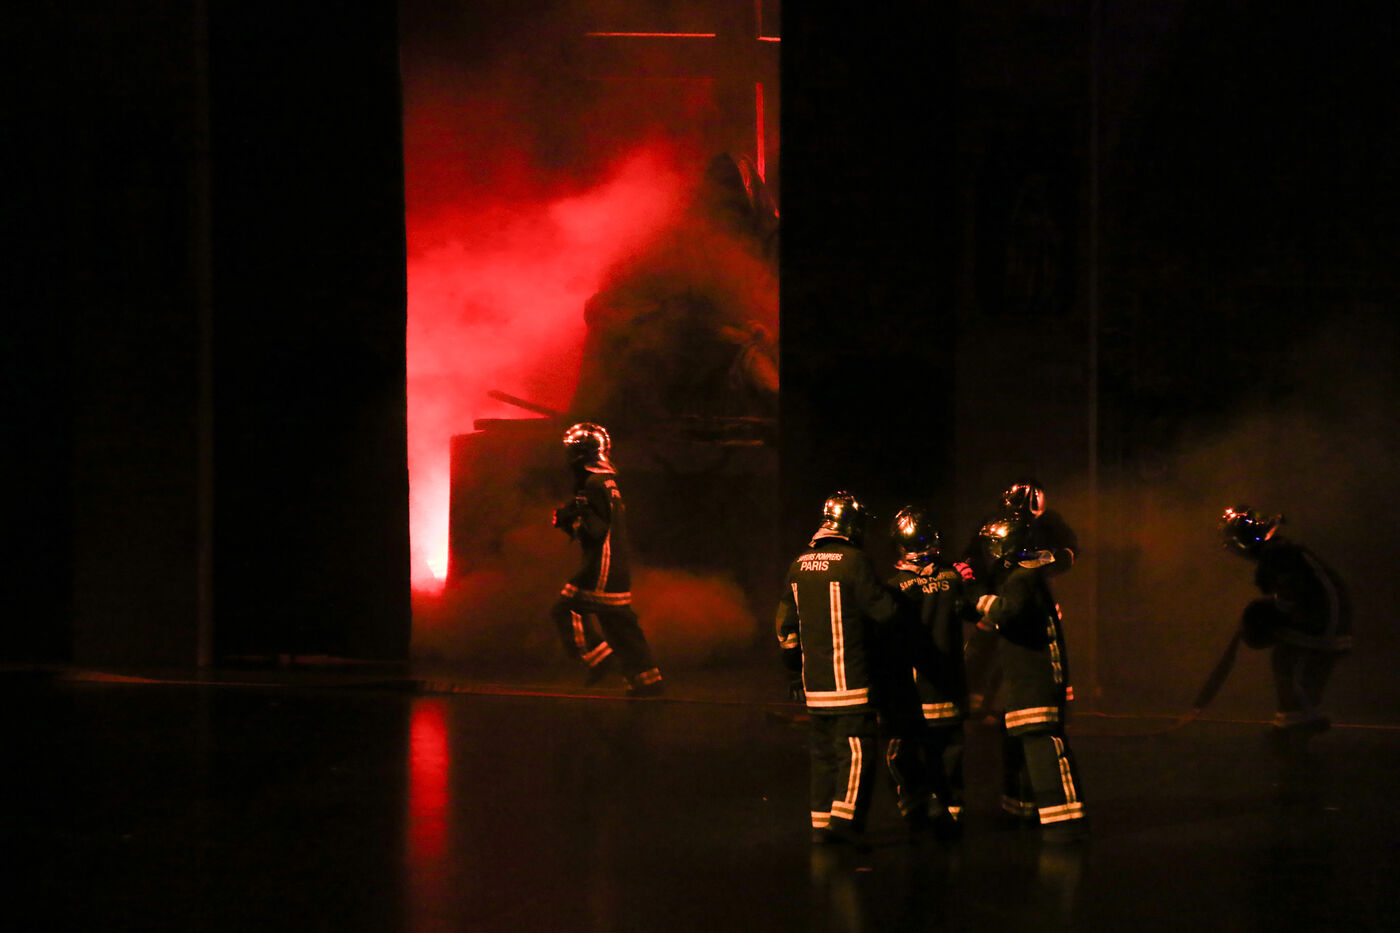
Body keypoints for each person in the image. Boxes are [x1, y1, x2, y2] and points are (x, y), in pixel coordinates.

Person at [775, 491, 899, 846]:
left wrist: (793, 672)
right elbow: (884, 613)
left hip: (815, 687)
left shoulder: (798, 564)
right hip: (851, 683)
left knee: (822, 756)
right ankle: (844, 822)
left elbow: (785, 628)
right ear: (851, 525)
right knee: (856, 753)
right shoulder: (854, 562)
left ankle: (820, 824)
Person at [977, 514, 1088, 841]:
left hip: (1035, 684)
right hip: (1026, 683)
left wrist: (972, 595)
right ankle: (1022, 810)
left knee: (1043, 748)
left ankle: (1065, 823)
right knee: (1021, 748)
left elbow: (1003, 611)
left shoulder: (1022, 578)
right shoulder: (1025, 576)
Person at [876, 505, 981, 839]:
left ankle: (916, 807)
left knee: (903, 753)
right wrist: (968, 579)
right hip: (950, 687)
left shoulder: (894, 587)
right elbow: (974, 612)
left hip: (913, 692)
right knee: (950, 751)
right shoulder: (954, 578)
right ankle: (950, 810)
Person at [1219, 506, 1352, 748]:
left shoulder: (1277, 554)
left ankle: (1300, 725)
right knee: (1286, 662)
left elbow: (1293, 593)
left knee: (1288, 664)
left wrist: (1264, 616)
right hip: (1325, 620)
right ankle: (1290, 725)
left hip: (1321, 624)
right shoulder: (1282, 551)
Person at [549, 422, 664, 696]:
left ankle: (599, 659)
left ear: (579, 454)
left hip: (602, 565)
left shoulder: (591, 484)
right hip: (617, 566)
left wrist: (571, 521)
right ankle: (647, 681)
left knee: (566, 609)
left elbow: (595, 530)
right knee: (619, 625)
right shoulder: (608, 481)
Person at [962, 479, 1078, 717]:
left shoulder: (1049, 524)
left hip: (1033, 597)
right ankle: (980, 704)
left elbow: (1069, 553)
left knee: (1040, 651)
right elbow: (973, 555)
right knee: (983, 650)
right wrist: (970, 576)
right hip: (1000, 593)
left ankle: (1055, 703)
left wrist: (1045, 561)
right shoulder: (992, 524)